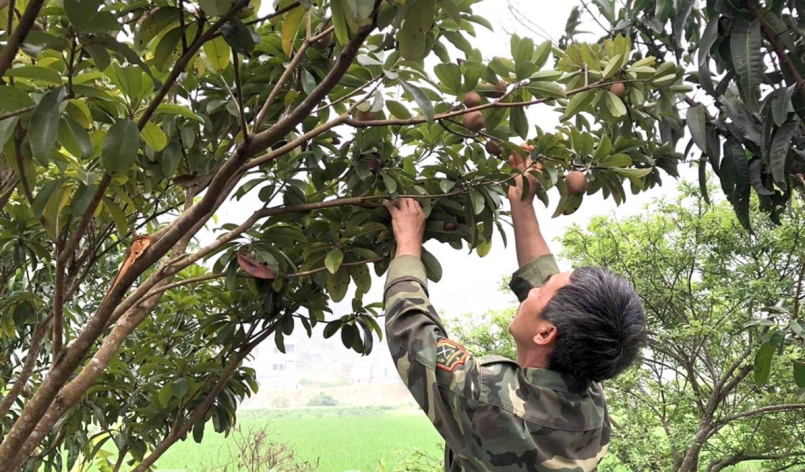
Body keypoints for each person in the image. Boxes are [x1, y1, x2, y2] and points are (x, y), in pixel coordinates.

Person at [382, 149, 647, 472]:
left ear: (546, 333)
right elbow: (550, 291)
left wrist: (408, 241)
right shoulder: (590, 400)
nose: (531, 289)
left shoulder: (487, 400)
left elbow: (410, 332)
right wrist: (522, 205)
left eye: (541, 291)